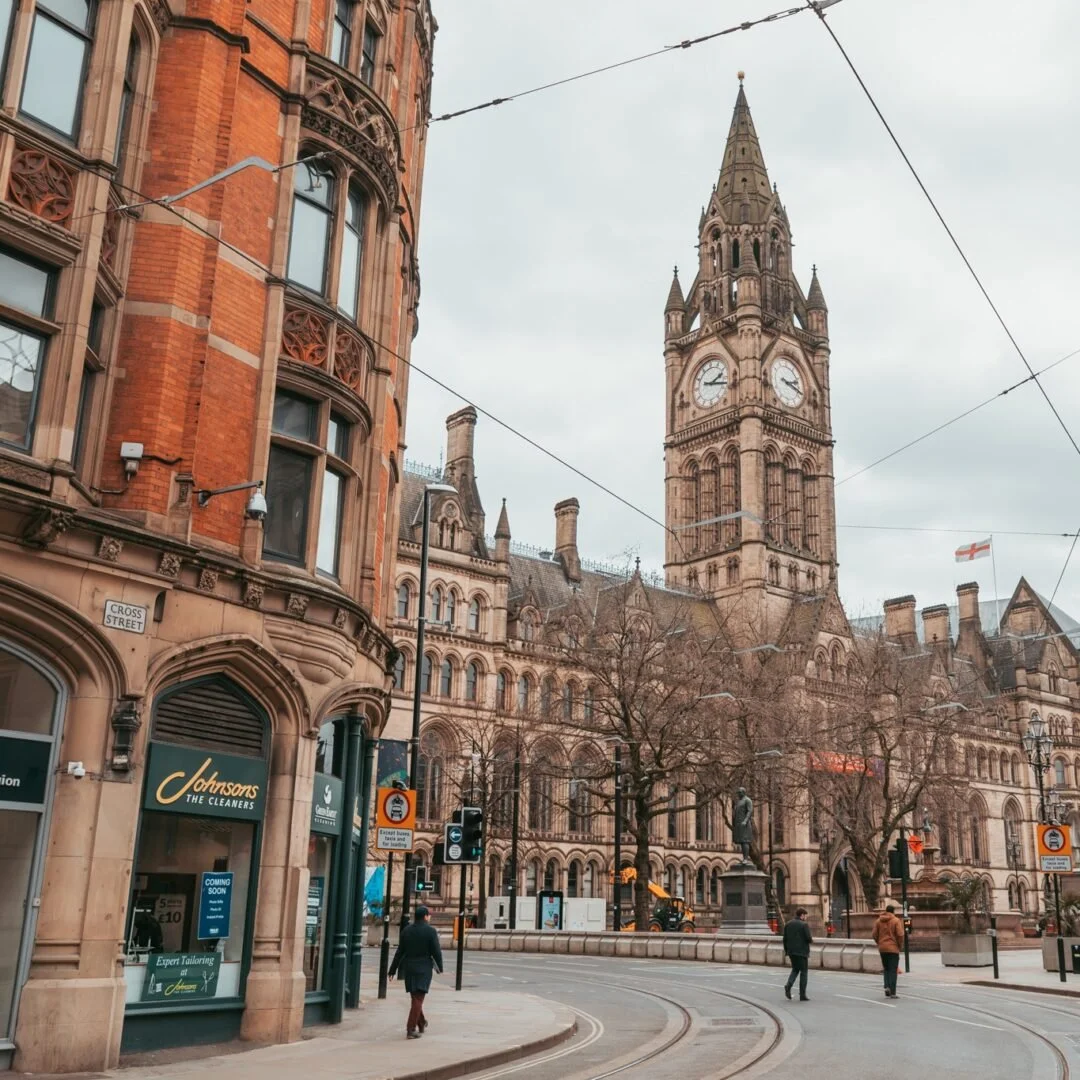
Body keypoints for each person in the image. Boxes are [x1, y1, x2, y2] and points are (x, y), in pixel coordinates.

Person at [388, 904, 444, 1038]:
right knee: (418, 998)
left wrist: (392, 970)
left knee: (415, 997)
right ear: (425, 916)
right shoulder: (430, 931)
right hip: (424, 968)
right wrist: (440, 967)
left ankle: (422, 1022)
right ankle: (410, 1029)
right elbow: (436, 951)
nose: (429, 917)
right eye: (428, 915)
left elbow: (399, 952)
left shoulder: (406, 931)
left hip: (410, 967)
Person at [872, 903, 905, 998]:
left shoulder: (878, 921)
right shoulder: (895, 920)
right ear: (893, 911)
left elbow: (874, 934)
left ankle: (886, 986)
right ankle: (893, 991)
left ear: (886, 911)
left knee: (886, 968)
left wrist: (880, 942)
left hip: (882, 948)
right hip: (893, 948)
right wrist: (899, 945)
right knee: (893, 970)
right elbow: (900, 934)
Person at [782, 907, 812, 1001]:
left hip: (791, 952)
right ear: (802, 915)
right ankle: (802, 994)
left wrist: (787, 950)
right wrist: (811, 940)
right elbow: (808, 938)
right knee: (804, 972)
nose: (805, 917)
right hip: (802, 952)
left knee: (795, 969)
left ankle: (788, 985)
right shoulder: (804, 925)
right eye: (805, 915)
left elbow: (784, 939)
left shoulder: (788, 924)